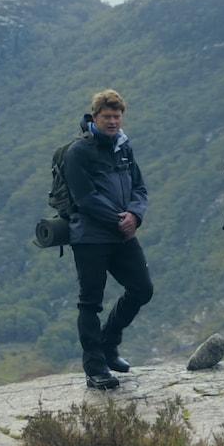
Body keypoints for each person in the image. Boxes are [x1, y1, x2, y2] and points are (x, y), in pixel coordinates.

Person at [63, 89, 153, 390]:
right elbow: (85, 197)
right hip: (90, 237)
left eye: (117, 116)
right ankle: (96, 368)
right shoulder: (78, 152)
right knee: (90, 302)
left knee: (142, 289)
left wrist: (135, 216)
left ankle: (108, 343)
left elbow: (139, 188)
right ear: (95, 117)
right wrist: (121, 220)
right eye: (107, 117)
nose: (113, 121)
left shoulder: (124, 147)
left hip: (122, 234)